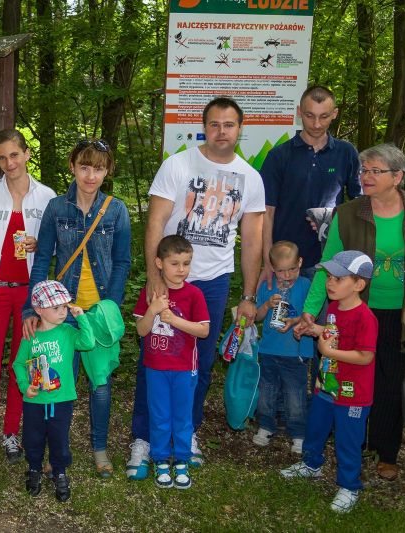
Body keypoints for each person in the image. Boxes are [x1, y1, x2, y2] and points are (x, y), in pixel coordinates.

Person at [130, 97, 264, 474]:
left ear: (240, 129)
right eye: (215, 125)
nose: (222, 132)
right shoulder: (178, 165)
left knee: (199, 364)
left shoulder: (251, 178)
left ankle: (186, 433)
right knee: (153, 358)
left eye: (229, 125)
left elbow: (253, 240)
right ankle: (144, 438)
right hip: (169, 280)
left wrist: (249, 295)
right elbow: (155, 225)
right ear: (204, 127)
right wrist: (157, 283)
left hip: (213, 283)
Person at [298, 143, 405, 482]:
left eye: (375, 171)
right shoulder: (349, 212)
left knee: (389, 382)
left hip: (401, 313)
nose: (366, 177)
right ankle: (351, 442)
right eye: (363, 171)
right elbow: (327, 267)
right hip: (356, 312)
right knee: (345, 377)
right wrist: (311, 311)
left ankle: (386, 452)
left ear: (397, 176)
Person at [23, 139, 131, 478]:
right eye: (84, 166)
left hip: (97, 312)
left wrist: (110, 305)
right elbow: (42, 260)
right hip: (61, 314)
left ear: (107, 171)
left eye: (98, 168)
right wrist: (32, 308)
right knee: (57, 380)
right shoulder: (56, 208)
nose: (90, 174)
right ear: (72, 166)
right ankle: (57, 448)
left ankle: (100, 447)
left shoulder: (116, 210)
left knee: (100, 385)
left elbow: (123, 260)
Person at [0, 129, 56, 464]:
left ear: (27, 154)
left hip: (29, 296)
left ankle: (11, 433)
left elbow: (55, 249)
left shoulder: (47, 196)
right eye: (2, 157)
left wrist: (41, 246)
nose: (9, 163)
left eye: (14, 155)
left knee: (22, 366)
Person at [283, 251, 378, 514]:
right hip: (326, 385)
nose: (329, 283)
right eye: (329, 277)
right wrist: (312, 329)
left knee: (348, 440)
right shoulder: (334, 308)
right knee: (316, 428)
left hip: (352, 394)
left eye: (338, 278)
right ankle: (311, 464)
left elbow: (365, 356)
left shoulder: (366, 318)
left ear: (359, 284)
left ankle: (349, 486)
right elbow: (331, 333)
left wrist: (329, 353)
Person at [260, 85, 361, 285]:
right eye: (309, 115)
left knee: (324, 317)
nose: (316, 124)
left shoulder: (347, 153)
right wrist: (267, 259)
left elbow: (360, 204)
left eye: (323, 116)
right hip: (286, 264)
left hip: (331, 259)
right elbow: (266, 212)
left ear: (335, 114)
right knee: (285, 316)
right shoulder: (278, 156)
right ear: (299, 112)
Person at [134, 236, 210, 489]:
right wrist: (153, 310)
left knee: (182, 416)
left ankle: (181, 460)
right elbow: (142, 331)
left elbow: (203, 331)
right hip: (156, 368)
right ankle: (160, 459)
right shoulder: (151, 293)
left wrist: (173, 320)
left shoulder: (194, 294)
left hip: (184, 369)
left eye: (186, 263)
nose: (182, 270)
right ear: (159, 263)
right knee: (159, 415)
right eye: (175, 263)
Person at [13, 280, 94, 502]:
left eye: (64, 307)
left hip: (61, 399)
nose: (62, 312)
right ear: (39, 309)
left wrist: (81, 318)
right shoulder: (31, 335)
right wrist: (24, 386)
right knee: (33, 437)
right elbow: (19, 364)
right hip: (35, 401)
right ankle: (34, 469)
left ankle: (59, 472)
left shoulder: (68, 331)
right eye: (55, 308)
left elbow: (88, 343)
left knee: (59, 438)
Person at [252, 241, 314, 453]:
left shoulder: (306, 285)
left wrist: (295, 321)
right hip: (268, 349)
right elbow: (257, 317)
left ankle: (298, 433)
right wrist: (267, 305)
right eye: (280, 271)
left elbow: (310, 315)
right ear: (272, 268)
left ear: (300, 263)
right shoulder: (267, 286)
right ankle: (266, 425)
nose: (286, 276)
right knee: (267, 392)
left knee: (295, 394)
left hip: (295, 352)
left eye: (291, 270)